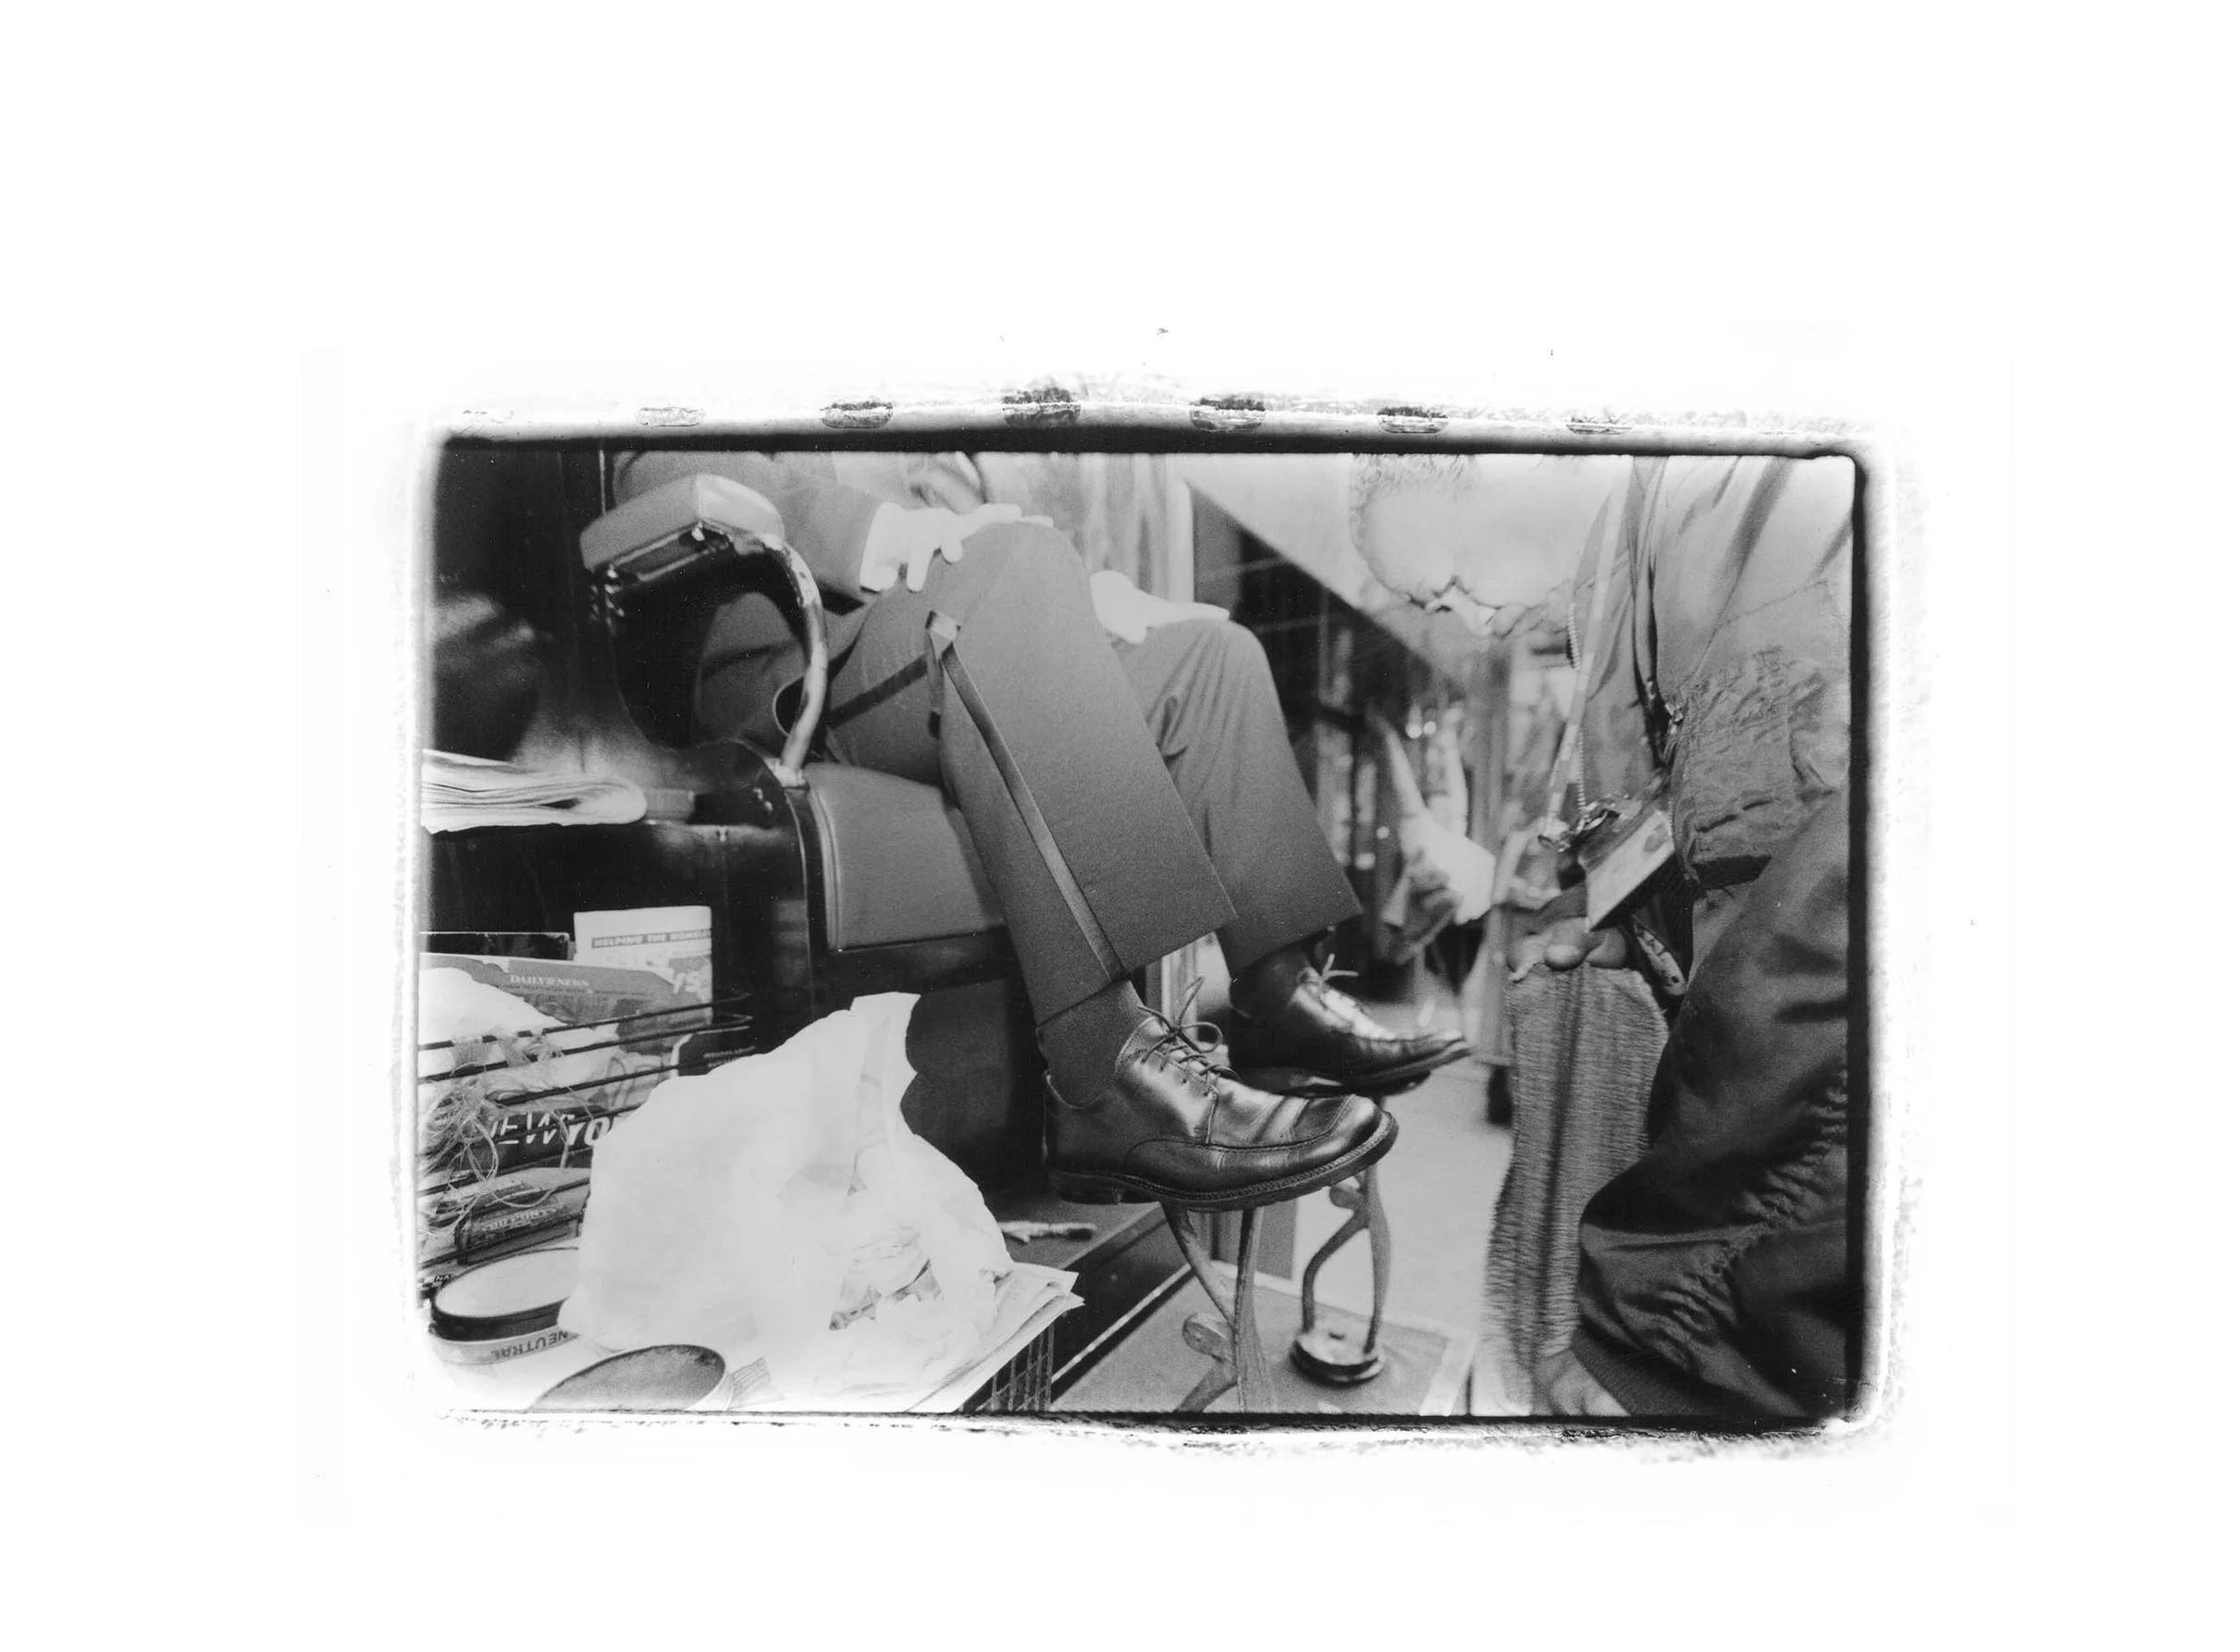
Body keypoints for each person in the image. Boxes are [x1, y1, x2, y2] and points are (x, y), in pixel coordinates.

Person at [609, 449, 1466, 1213]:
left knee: (1214, 656)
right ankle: (1102, 1073)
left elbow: (968, 539)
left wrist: (1077, 595)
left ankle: (1276, 992)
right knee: (1016, 565)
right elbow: (649, 466)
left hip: (929, 625)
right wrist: (869, 531)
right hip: (800, 649)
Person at [1354, 450, 1858, 1425]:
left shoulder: (1728, 521)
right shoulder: (1638, 591)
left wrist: (1669, 1334)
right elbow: (1735, 836)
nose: (1469, 623)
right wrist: (1640, 925)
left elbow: (1834, 933)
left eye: (1451, 584)